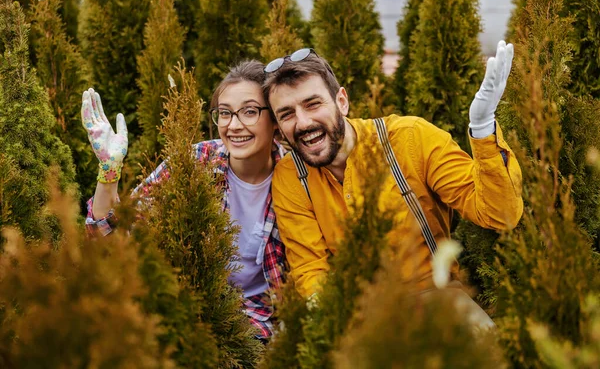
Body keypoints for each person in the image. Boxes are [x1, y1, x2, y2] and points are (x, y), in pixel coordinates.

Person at [263, 42, 523, 302]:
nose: (303, 122)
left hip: (437, 302)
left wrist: (482, 127)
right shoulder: (290, 176)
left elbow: (499, 215)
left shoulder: (410, 138)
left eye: (312, 104)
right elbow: (310, 270)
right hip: (355, 315)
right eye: (287, 114)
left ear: (341, 101)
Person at [82, 60, 287, 340]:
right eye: (224, 113)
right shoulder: (195, 161)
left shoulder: (298, 178)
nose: (234, 125)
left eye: (249, 111)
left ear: (274, 119)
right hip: (186, 309)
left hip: (259, 323)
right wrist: (109, 172)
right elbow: (111, 238)